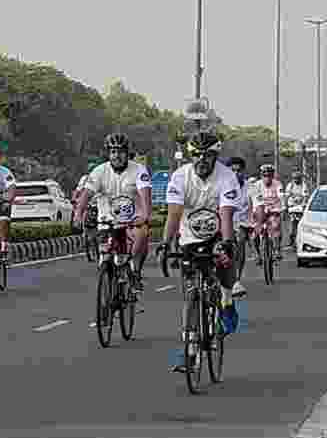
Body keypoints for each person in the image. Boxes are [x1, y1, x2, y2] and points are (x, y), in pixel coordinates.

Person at [160, 131, 244, 371]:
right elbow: (174, 214)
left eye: (208, 156)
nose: (202, 160)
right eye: (197, 155)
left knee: (225, 257)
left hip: (219, 231)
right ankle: (189, 351)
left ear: (215, 156)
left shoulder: (226, 177)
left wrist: (227, 243)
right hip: (190, 235)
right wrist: (166, 244)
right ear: (191, 156)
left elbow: (226, 215)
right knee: (190, 295)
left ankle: (227, 301)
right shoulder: (180, 177)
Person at [72, 132, 153, 290]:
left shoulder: (139, 170)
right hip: (106, 221)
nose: (117, 156)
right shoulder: (99, 171)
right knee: (105, 257)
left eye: (121, 152)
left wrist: (145, 215)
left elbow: (145, 195)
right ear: (108, 153)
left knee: (143, 234)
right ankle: (107, 294)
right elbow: (86, 195)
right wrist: (78, 214)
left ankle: (135, 270)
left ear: (127, 153)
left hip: (131, 221)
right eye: (113, 152)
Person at [226, 156, 254, 276]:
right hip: (223, 223)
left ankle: (237, 277)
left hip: (242, 223)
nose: (236, 173)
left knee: (240, 242)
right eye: (233, 170)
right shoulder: (220, 185)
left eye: (239, 170)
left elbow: (258, 204)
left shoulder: (250, 187)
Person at [251, 163, 285, 260]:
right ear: (261, 176)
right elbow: (254, 199)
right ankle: (256, 253)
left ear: (273, 176)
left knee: (276, 226)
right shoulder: (257, 185)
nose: (267, 178)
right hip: (260, 209)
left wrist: (283, 207)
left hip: (274, 208)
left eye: (269, 175)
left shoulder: (278, 184)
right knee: (255, 233)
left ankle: (277, 250)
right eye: (265, 175)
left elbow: (281, 196)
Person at [283, 172, 309, 249]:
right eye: (295, 178)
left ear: (300, 179)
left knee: (300, 225)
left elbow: (305, 197)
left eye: (298, 178)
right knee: (292, 225)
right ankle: (291, 241)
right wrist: (285, 206)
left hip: (300, 207)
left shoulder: (304, 185)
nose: (296, 180)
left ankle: (301, 241)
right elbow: (287, 196)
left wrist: (303, 205)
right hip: (292, 207)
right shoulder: (290, 185)